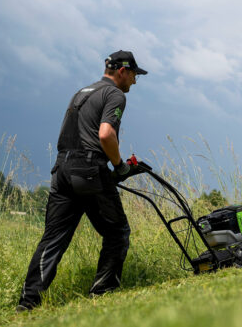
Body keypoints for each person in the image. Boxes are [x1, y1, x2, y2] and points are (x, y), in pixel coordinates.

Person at [17, 50, 148, 311]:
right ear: (122, 71)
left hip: (62, 170)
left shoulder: (82, 92)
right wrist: (119, 166)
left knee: (53, 238)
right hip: (89, 170)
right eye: (134, 74)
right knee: (117, 232)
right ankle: (102, 295)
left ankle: (27, 303)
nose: (135, 80)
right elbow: (106, 134)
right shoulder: (115, 94)